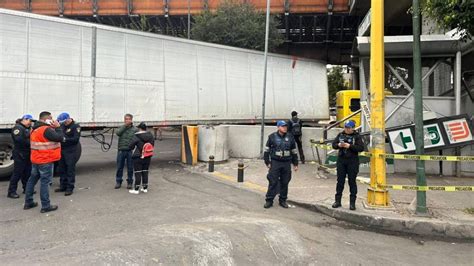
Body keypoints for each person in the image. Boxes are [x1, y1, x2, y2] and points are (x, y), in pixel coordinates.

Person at [24, 111, 64, 213]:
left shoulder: (34, 128)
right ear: (46, 119)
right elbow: (60, 138)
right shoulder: (46, 129)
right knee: (45, 183)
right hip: (46, 160)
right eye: (51, 118)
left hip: (36, 159)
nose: (52, 120)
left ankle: (28, 202)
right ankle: (46, 206)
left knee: (32, 180)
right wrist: (58, 127)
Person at [263, 120, 299, 209]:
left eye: (286, 126)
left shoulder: (290, 137)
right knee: (273, 181)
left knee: (285, 182)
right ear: (278, 127)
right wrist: (267, 162)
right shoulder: (272, 137)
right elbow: (266, 151)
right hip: (275, 162)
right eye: (283, 126)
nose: (285, 128)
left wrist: (295, 163)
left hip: (286, 162)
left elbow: (294, 151)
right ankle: (269, 200)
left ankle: (282, 200)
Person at [331, 120, 364, 211]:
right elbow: (333, 145)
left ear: (353, 128)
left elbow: (361, 148)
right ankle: (337, 201)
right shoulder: (340, 135)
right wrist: (338, 145)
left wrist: (349, 146)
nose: (347, 129)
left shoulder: (357, 136)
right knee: (340, 181)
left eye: (349, 128)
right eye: (346, 127)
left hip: (352, 162)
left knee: (352, 182)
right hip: (341, 161)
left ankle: (352, 203)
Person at [7, 115, 34, 199]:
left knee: (27, 172)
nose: (31, 123)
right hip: (20, 154)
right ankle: (11, 191)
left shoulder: (26, 128)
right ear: (24, 120)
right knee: (17, 173)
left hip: (27, 153)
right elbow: (19, 140)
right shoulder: (18, 128)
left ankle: (26, 188)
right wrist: (31, 142)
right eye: (30, 121)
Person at [55, 113, 81, 196]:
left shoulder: (75, 126)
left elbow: (75, 139)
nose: (64, 123)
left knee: (70, 169)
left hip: (71, 151)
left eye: (65, 122)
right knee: (62, 169)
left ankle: (70, 187)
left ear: (68, 119)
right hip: (62, 150)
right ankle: (63, 185)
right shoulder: (62, 125)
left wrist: (65, 139)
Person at [128, 122, 155, 194]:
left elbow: (131, 146)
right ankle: (145, 188)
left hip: (138, 156)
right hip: (147, 156)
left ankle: (136, 189)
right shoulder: (150, 136)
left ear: (139, 128)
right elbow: (152, 145)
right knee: (145, 171)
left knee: (138, 172)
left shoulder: (136, 136)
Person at [115, 114, 138, 189]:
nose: (127, 120)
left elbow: (137, 139)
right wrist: (125, 126)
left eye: (129, 119)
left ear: (131, 120)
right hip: (121, 150)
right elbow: (118, 133)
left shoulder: (135, 129)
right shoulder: (122, 127)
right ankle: (118, 181)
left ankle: (130, 182)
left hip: (130, 151)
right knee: (119, 167)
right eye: (126, 119)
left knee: (130, 167)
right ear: (124, 120)